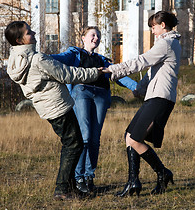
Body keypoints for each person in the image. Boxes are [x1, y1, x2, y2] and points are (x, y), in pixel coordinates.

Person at [5, 21, 102, 200]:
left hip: (46, 107)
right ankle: (63, 189)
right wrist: (96, 72)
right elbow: (69, 74)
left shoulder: (16, 60)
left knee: (72, 144)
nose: (33, 33)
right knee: (74, 145)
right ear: (19, 40)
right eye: (28, 33)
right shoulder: (38, 59)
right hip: (58, 106)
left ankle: (72, 188)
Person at [102, 11, 181, 196]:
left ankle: (161, 173)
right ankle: (133, 181)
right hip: (154, 96)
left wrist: (113, 70)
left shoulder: (167, 43)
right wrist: (141, 88)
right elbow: (153, 71)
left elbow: (142, 61)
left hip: (160, 98)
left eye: (153, 26)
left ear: (163, 25)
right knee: (129, 136)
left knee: (134, 138)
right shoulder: (166, 44)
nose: (152, 31)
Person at [51, 26, 137, 193]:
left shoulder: (102, 59)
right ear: (83, 38)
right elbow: (59, 58)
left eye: (98, 36)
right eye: (92, 35)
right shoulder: (75, 53)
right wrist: (41, 58)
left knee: (95, 138)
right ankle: (79, 178)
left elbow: (118, 75)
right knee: (85, 135)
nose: (96, 38)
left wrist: (136, 87)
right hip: (82, 91)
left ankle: (89, 176)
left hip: (101, 95)